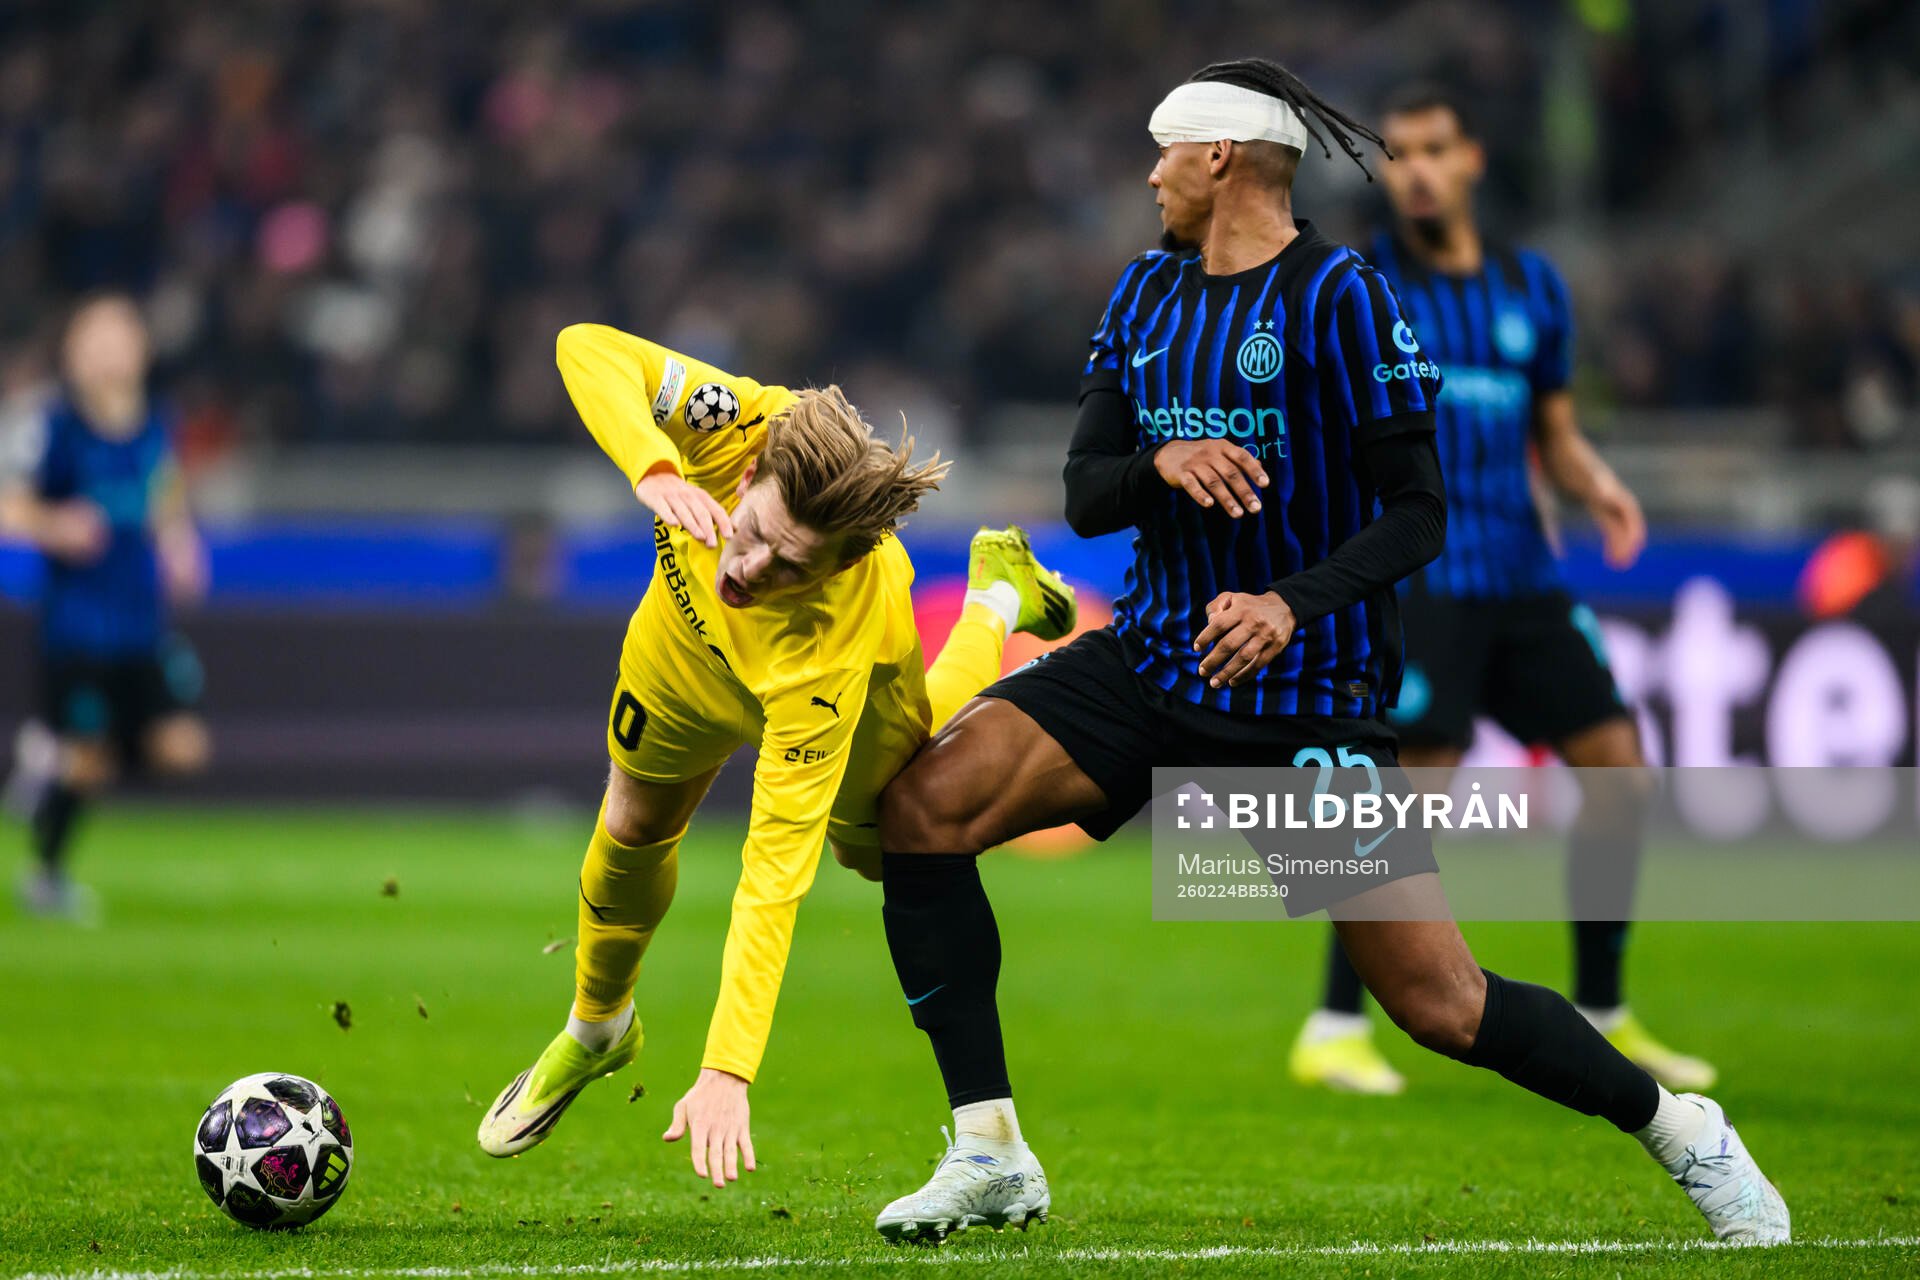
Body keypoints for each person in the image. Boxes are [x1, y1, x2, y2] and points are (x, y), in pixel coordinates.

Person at [866, 59, 1786, 1246]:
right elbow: (1086, 491)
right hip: (1152, 659)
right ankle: (987, 1147)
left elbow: (1419, 511)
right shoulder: (1144, 293)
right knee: (923, 810)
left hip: (1303, 698)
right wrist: (1159, 465)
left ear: (1221, 159)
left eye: (1165, 150)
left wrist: (1292, 604)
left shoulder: (1343, 297)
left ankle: (1682, 1128)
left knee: (1441, 1006)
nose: (1148, 173)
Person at [477, 324, 1078, 1188]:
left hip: (818, 692)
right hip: (680, 649)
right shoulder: (737, 424)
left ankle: (995, 596)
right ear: (751, 472)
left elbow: (773, 872)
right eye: (754, 530)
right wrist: (653, 467)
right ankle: (599, 1025)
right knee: (629, 826)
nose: (748, 566)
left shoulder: (833, 647)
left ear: (838, 565)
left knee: (880, 844)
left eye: (790, 564)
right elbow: (582, 348)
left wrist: (727, 1068)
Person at [1289, 83, 1714, 1098]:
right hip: (1419, 577)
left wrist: (1598, 485)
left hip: (1522, 573)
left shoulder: (1531, 288)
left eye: (1436, 149)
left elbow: (1553, 432)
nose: (1419, 170)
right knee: (1402, 805)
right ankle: (1335, 1023)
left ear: (1472, 159)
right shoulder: (1358, 284)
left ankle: (1606, 1008)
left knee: (1617, 767)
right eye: (1399, 155)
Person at [0, 294, 210, 920]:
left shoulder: (154, 421)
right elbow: (8, 506)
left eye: (122, 338)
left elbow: (164, 491)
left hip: (141, 621)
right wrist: (54, 523)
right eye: (97, 338)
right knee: (88, 759)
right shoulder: (51, 424)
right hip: (77, 625)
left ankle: (51, 761)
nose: (111, 351)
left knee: (181, 749)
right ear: (74, 350)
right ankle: (47, 875)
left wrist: (180, 544)